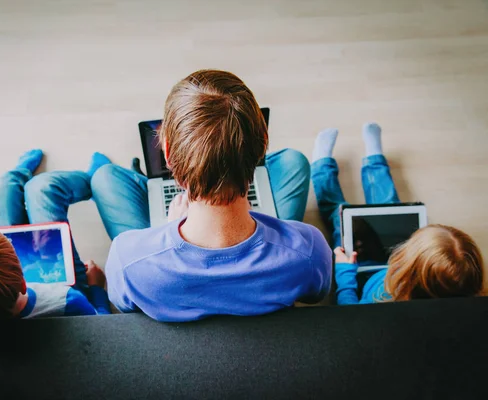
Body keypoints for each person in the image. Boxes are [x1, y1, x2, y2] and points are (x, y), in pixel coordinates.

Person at [90, 69, 333, 321]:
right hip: (275, 256)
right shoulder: (309, 249)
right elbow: (316, 294)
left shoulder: (127, 258)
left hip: (159, 266)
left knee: (105, 177)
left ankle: (134, 175)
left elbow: (125, 305)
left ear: (168, 154)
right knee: (293, 160)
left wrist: (169, 227)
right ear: (262, 144)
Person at [0, 150, 112, 350]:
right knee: (42, 189)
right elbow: (101, 332)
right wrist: (96, 289)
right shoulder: (69, 301)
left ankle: (17, 176)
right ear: (24, 283)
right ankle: (94, 182)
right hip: (59, 284)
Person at [311, 123, 485, 305]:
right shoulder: (459, 292)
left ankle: (321, 167)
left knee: (340, 217)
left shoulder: (384, 300)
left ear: (409, 266)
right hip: (391, 270)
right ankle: (374, 158)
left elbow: (348, 309)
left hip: (361, 272)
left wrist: (345, 271)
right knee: (389, 205)